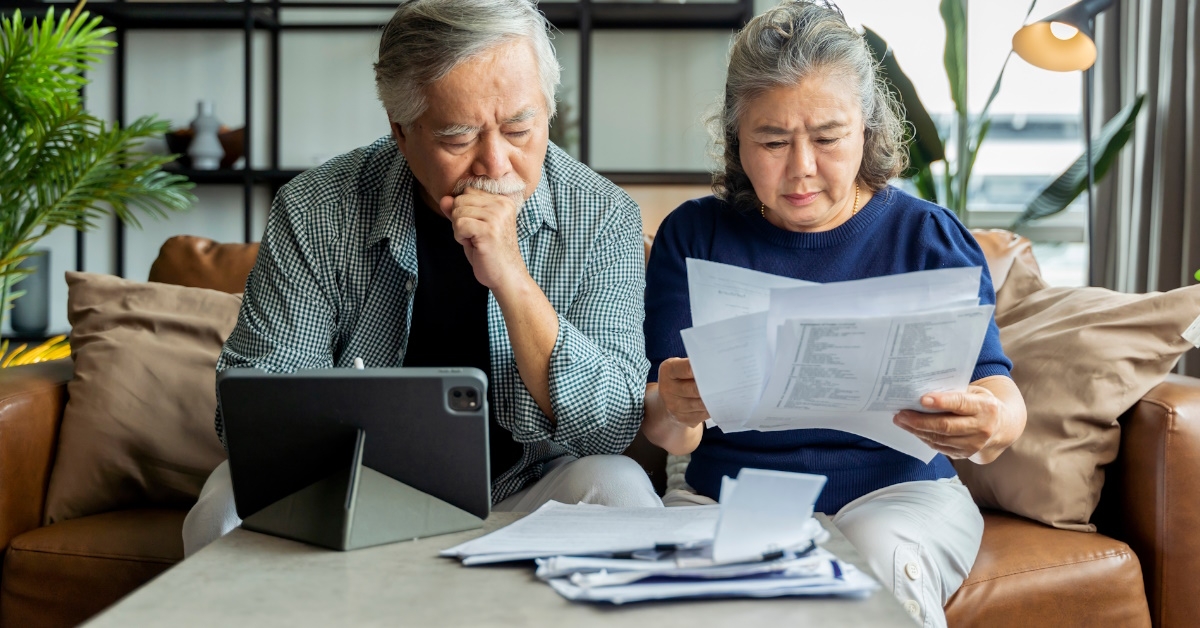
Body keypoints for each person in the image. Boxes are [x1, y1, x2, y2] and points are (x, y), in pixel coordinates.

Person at [183, 0, 660, 557]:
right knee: (223, 503)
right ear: (401, 132)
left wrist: (511, 277)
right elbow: (250, 412)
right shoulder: (315, 209)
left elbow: (610, 426)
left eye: (519, 128)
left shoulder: (603, 215)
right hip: (350, 487)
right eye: (458, 139)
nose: (496, 164)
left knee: (620, 488)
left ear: (547, 111)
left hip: (531, 489)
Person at [641, 2, 1027, 626]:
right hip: (729, 491)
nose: (801, 168)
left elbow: (997, 387)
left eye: (827, 138)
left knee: (875, 565)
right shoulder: (695, 235)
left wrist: (994, 421)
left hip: (901, 491)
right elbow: (666, 427)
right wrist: (678, 406)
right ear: (737, 138)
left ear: (867, 130)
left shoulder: (926, 235)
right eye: (771, 141)